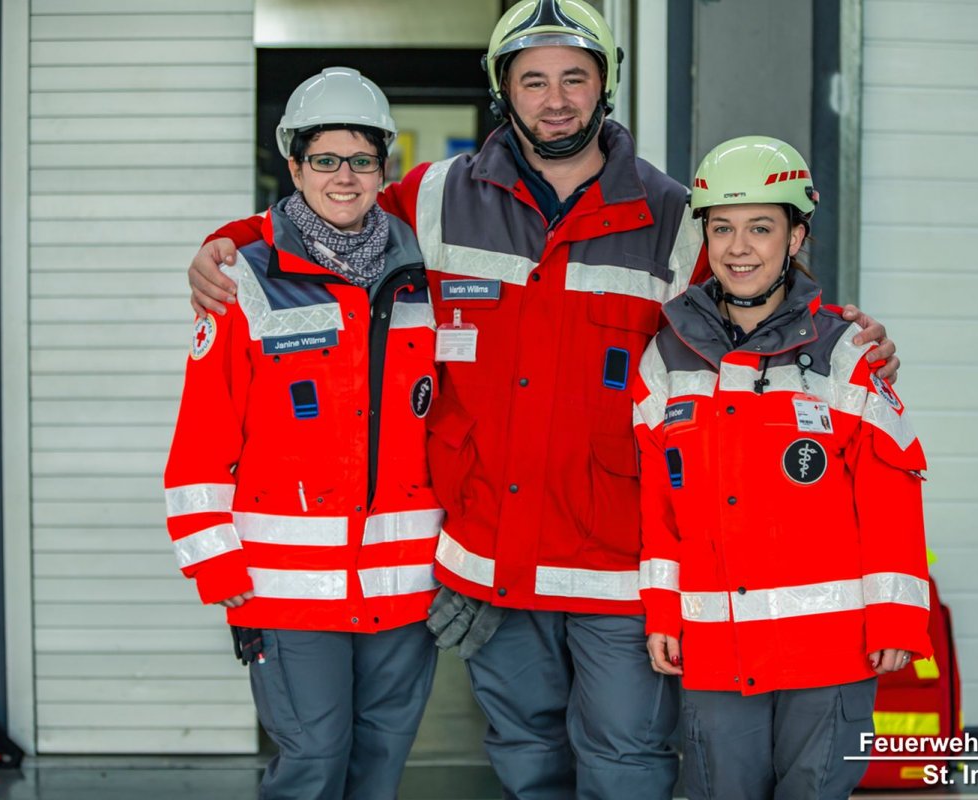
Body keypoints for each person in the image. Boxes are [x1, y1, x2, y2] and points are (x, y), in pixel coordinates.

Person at [185, 3, 898, 797]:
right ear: (502, 90)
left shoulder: (673, 220)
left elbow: (754, 306)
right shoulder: (433, 198)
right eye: (532, 80)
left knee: (625, 759)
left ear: (605, 87)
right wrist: (225, 246)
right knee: (524, 757)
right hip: (489, 558)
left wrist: (839, 335)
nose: (554, 99)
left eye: (573, 78)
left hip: (617, 565)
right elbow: (323, 219)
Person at [163, 67, 443, 800]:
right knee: (312, 763)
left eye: (361, 159)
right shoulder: (244, 279)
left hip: (405, 586)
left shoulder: (425, 280)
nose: (343, 177)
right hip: (286, 587)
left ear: (385, 166)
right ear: (293, 165)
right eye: (324, 160)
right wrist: (218, 571)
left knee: (378, 765)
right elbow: (200, 439)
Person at [633, 136, 933, 800]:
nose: (740, 247)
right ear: (704, 241)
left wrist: (892, 617)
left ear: (795, 236)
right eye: (723, 229)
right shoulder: (664, 359)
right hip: (714, 648)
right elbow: (658, 505)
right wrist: (661, 611)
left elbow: (890, 493)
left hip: (830, 651)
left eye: (761, 228)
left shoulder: (848, 356)